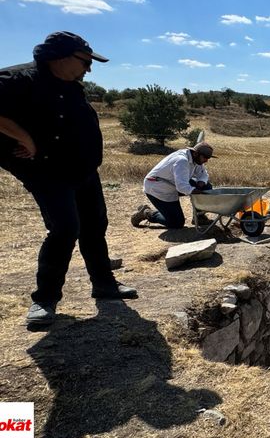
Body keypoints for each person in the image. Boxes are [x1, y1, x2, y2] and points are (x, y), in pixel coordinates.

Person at [0, 31, 137, 326]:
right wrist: (26, 139)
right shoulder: (18, 79)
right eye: (86, 61)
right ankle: (45, 300)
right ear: (61, 57)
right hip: (48, 171)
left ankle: (105, 285)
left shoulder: (71, 85)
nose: (89, 68)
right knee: (64, 229)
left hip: (83, 169)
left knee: (95, 225)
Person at [131, 142, 215, 229]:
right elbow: (182, 186)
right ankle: (147, 213)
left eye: (208, 158)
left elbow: (203, 174)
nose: (206, 160)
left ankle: (199, 217)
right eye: (205, 157)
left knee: (206, 187)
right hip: (158, 188)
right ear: (195, 153)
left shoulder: (195, 158)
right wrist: (196, 191)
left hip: (172, 184)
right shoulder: (182, 161)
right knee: (176, 223)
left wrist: (201, 182)